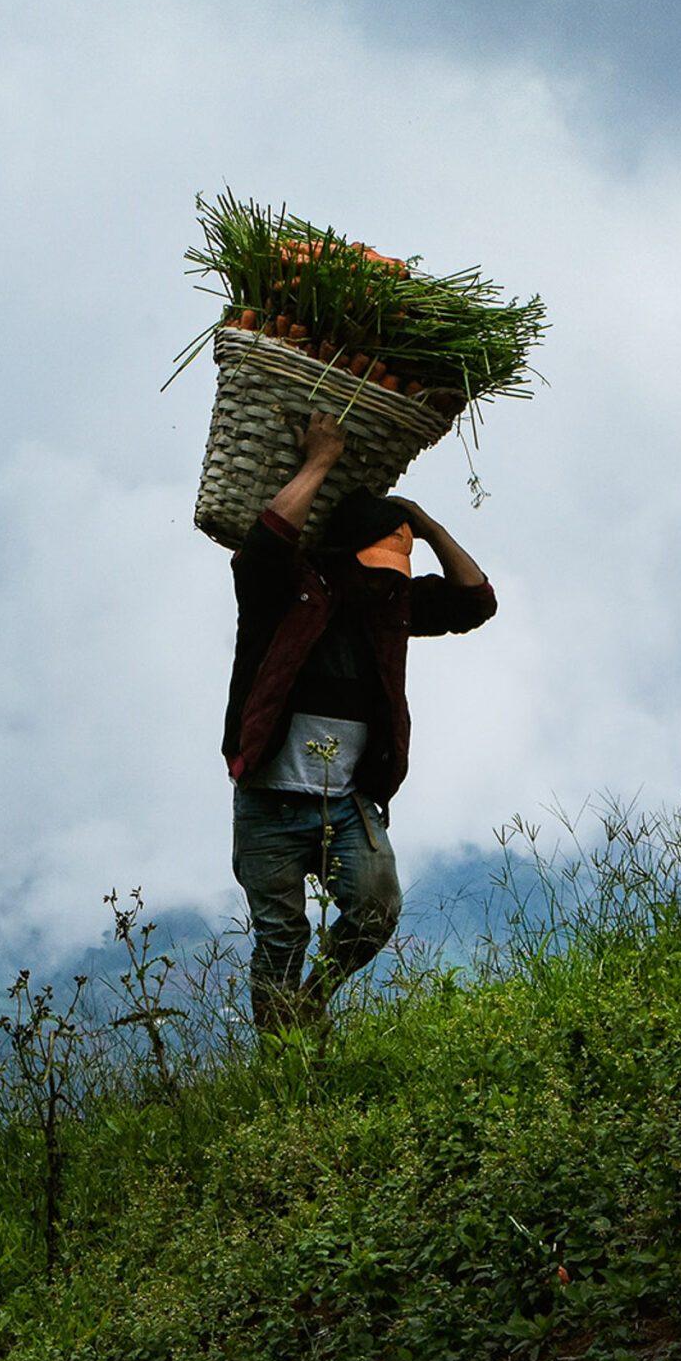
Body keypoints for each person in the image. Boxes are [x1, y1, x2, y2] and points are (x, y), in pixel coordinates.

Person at [222, 413, 497, 1035]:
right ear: (347, 559)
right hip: (268, 800)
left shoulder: (391, 609)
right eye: (382, 562)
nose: (391, 579)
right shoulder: (285, 591)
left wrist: (425, 526)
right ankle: (282, 1055)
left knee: (376, 908)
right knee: (279, 936)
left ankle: (312, 999)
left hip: (346, 802)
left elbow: (477, 601)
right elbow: (262, 547)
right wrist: (319, 462)